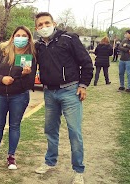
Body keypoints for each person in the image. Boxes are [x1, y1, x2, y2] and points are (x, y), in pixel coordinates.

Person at [33, 12, 93, 184]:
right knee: (50, 130)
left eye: (47, 23)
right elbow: (26, 61)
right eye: (40, 25)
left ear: (54, 23)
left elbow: (86, 62)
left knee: (74, 132)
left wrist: (83, 85)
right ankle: (50, 161)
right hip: (49, 93)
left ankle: (78, 170)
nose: (44, 27)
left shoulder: (69, 38)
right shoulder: (38, 46)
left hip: (70, 91)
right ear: (36, 28)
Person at [0, 26, 37, 170]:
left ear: (29, 38)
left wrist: (25, 75)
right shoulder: (3, 52)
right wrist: (1, 79)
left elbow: (28, 84)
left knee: (14, 126)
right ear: (12, 37)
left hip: (19, 97)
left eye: (24, 35)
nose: (20, 38)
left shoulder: (29, 56)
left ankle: (11, 157)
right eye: (17, 35)